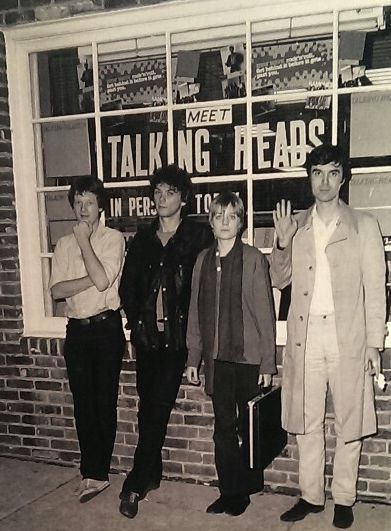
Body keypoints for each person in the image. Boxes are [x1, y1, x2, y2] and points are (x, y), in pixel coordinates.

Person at [269, 144, 386, 529]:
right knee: (307, 419)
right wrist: (281, 244)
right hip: (305, 336)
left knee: (349, 421)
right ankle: (311, 496)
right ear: (309, 178)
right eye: (317, 173)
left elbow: (375, 288)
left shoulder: (364, 226)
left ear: (343, 178)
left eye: (332, 173)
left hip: (346, 335)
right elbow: (279, 279)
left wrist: (373, 344)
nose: (324, 181)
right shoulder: (296, 225)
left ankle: (345, 498)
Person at [118, 164, 213, 519]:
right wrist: (135, 322)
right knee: (149, 406)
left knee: (156, 407)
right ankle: (151, 473)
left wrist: (198, 340)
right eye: (157, 192)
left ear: (183, 198)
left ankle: (135, 482)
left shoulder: (198, 238)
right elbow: (127, 287)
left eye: (169, 192)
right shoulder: (143, 239)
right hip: (147, 339)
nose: (161, 199)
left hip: (178, 339)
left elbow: (204, 289)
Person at [186, 192, 276, 517]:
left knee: (249, 428)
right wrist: (193, 358)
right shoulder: (202, 262)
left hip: (248, 359)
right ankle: (230, 491)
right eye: (218, 216)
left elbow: (265, 313)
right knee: (224, 428)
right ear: (210, 222)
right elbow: (196, 314)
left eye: (232, 216)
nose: (225, 222)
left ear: (240, 222)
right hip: (217, 361)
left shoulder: (253, 258)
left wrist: (268, 362)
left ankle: (249, 486)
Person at [50, 176, 126, 503]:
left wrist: (84, 243)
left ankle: (99, 474)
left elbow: (102, 280)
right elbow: (56, 290)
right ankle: (88, 471)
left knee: (103, 402)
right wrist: (85, 279)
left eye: (89, 202)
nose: (83, 209)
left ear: (101, 207)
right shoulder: (63, 244)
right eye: (78, 203)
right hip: (77, 331)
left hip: (106, 329)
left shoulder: (113, 239)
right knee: (83, 404)